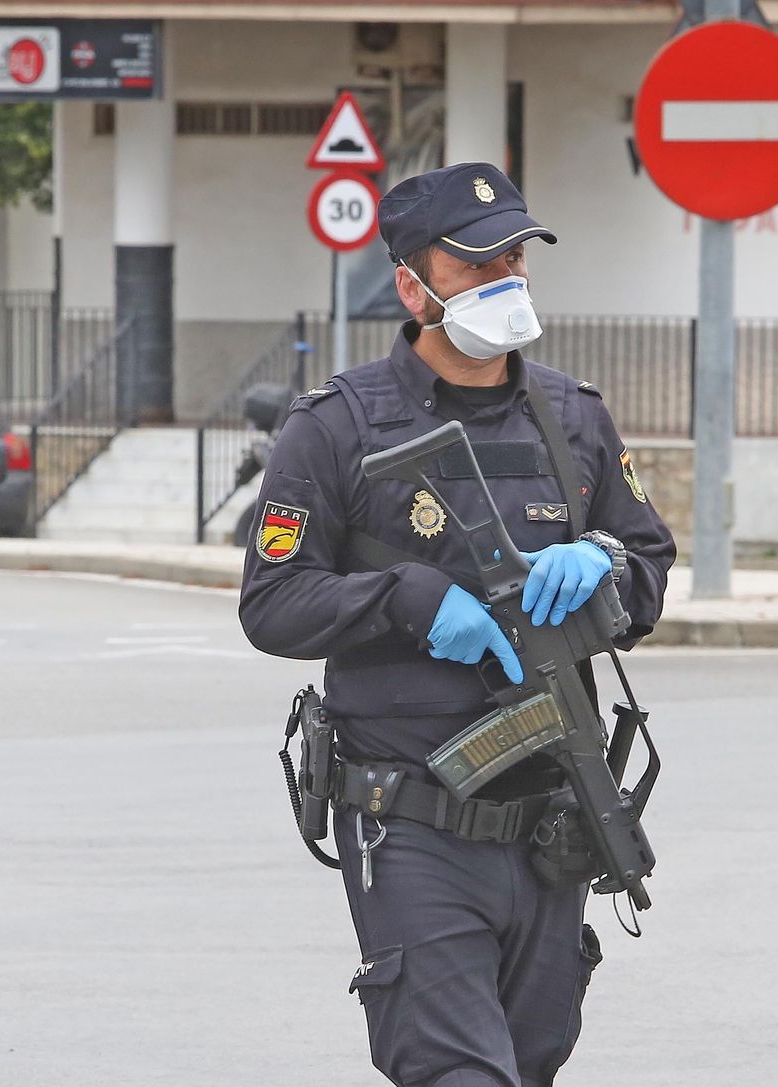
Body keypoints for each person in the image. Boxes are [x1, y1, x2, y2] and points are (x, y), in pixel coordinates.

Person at [239, 163, 676, 1087]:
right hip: (411, 822)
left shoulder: (576, 418)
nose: (506, 280)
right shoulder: (337, 428)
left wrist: (604, 559)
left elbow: (650, 572)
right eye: (479, 266)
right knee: (459, 1073)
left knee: (528, 1063)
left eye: (515, 256)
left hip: (554, 818)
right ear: (413, 283)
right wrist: (404, 596)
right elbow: (272, 602)